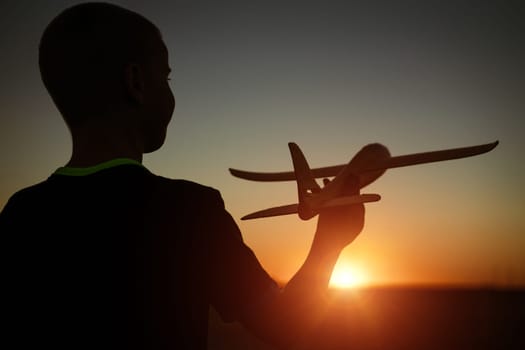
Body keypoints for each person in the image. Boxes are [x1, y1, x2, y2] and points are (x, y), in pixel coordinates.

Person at [0, 3, 367, 349]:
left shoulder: (20, 214)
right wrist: (329, 242)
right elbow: (285, 325)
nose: (171, 90)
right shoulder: (190, 210)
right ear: (136, 82)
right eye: (167, 75)